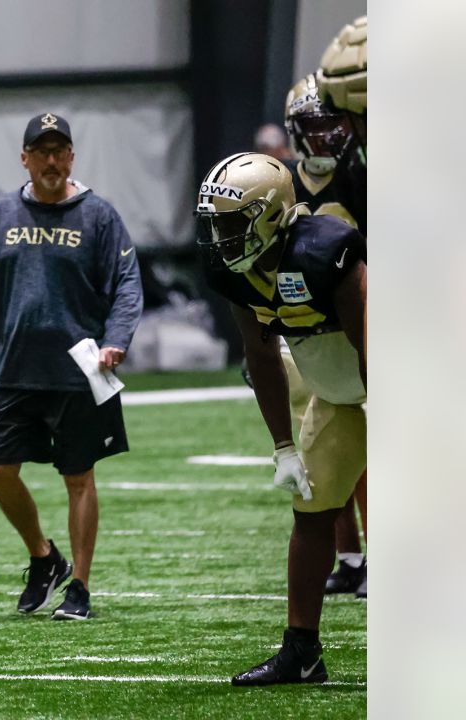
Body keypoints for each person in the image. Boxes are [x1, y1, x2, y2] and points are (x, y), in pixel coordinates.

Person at [0, 112, 143, 622]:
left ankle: (79, 584)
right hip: (14, 367)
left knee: (79, 477)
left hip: (81, 371)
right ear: (25, 158)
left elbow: (127, 285)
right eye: (42, 151)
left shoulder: (99, 216)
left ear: (72, 157)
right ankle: (42, 554)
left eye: (61, 151)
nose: (52, 161)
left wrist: (116, 341)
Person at [194, 152, 366, 686]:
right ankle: (302, 652)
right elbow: (262, 358)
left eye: (231, 221)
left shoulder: (324, 251)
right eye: (215, 222)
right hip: (338, 394)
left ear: (269, 214)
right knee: (312, 513)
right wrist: (283, 446)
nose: (221, 235)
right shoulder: (239, 276)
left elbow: (375, 337)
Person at [283, 71, 368, 598]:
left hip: (359, 327)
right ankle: (351, 558)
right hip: (304, 336)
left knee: (365, 451)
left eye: (335, 125)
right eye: (316, 127)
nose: (328, 137)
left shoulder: (359, 178)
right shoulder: (281, 185)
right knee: (323, 453)